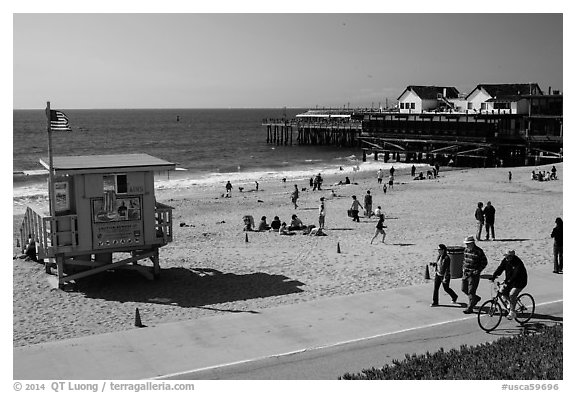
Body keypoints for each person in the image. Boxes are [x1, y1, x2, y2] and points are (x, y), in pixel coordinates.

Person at [490, 250, 528, 320]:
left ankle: (512, 312)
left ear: (512, 256)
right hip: (510, 280)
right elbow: (500, 268)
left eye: (508, 257)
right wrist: (494, 275)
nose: (506, 258)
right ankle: (510, 304)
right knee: (502, 291)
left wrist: (508, 282)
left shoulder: (518, 263)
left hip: (520, 281)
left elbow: (515, 275)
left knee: (512, 294)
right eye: (506, 256)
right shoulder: (505, 260)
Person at [461, 236, 488, 314]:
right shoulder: (466, 250)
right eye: (466, 244)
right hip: (466, 273)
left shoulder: (479, 251)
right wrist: (463, 268)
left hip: (473, 275)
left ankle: (470, 307)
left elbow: (484, 262)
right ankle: (475, 299)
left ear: (472, 243)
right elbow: (464, 260)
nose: (466, 245)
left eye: (468, 244)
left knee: (471, 292)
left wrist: (478, 270)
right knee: (464, 289)